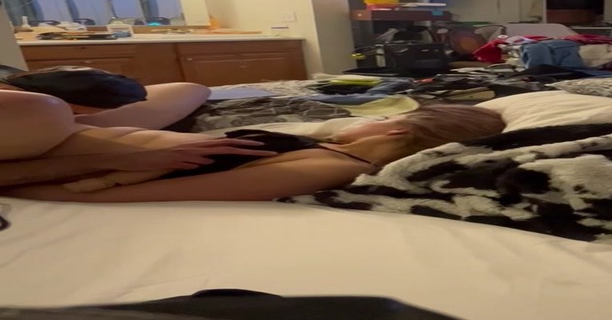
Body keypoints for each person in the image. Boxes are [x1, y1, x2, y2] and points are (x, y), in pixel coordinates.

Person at [1, 104, 505, 203]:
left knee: (47, 109)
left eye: (385, 115)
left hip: (47, 146)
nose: (358, 121)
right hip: (75, 133)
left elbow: (130, 195)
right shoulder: (326, 146)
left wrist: (33, 192)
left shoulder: (327, 166)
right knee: (188, 89)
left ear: (397, 129)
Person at [0, 67, 273, 184]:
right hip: (38, 114)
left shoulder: (43, 106)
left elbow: (191, 89)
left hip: (30, 99)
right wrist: (115, 160)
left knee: (191, 89)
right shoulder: (46, 111)